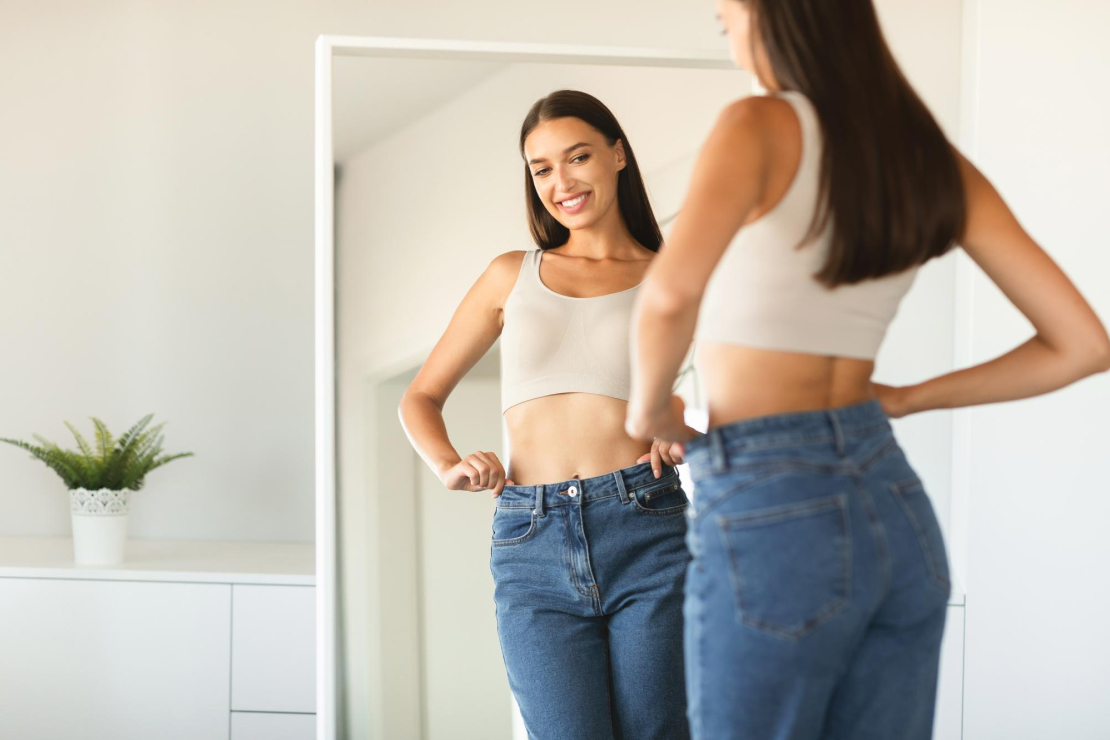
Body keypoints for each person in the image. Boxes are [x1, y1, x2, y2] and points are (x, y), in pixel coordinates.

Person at [623, 2, 1110, 739]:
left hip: (770, 501)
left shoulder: (758, 124)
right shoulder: (925, 160)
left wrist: (648, 413)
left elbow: (668, 296)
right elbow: (1083, 344)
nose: (730, 40)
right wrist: (906, 400)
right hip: (892, 504)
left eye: (729, 20)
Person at [398, 89, 693, 739]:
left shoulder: (673, 276)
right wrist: (449, 465)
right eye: (542, 169)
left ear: (617, 155)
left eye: (578, 156)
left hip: (644, 522)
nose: (562, 181)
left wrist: (685, 436)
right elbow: (419, 397)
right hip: (530, 536)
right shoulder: (511, 274)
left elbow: (742, 409)